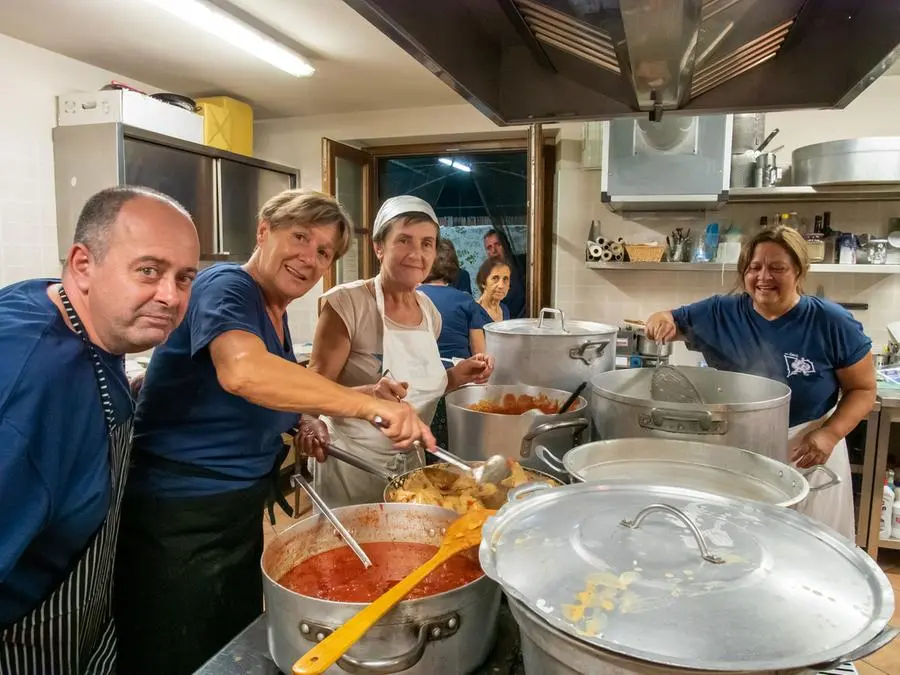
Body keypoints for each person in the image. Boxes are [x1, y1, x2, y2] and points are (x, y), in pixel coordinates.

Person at [113, 189, 434, 675]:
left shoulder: (272, 311)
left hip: (232, 507)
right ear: (264, 231)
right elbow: (243, 372)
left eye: (324, 251)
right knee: (179, 649)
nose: (310, 256)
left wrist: (303, 416)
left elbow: (275, 387)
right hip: (179, 512)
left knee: (228, 638)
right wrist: (366, 405)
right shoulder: (227, 285)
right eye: (300, 237)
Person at [0, 186, 200, 674]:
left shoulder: (67, 310)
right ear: (83, 264)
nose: (170, 296)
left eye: (184, 277)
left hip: (83, 625)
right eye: (148, 271)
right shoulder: (32, 379)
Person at [645, 225, 876, 541]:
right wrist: (661, 321)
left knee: (807, 547)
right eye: (755, 267)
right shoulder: (721, 311)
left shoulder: (830, 321)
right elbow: (670, 317)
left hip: (806, 448)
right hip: (739, 448)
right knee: (738, 541)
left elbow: (863, 389)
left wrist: (830, 434)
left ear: (798, 271)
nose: (764, 276)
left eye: (777, 268)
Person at [305, 195, 495, 507]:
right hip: (352, 466)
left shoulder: (428, 311)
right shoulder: (348, 305)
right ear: (378, 247)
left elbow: (415, 390)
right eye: (403, 240)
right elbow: (310, 393)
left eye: (427, 243)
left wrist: (456, 376)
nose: (416, 254)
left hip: (410, 468)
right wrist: (364, 394)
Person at [419, 239, 493, 447]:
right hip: (458, 384)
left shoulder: (411, 297)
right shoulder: (465, 300)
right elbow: (479, 354)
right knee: (456, 446)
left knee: (423, 446)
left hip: (420, 385)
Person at [483, 228, 526, 317]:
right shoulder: (488, 275)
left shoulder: (521, 264)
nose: (494, 251)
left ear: (506, 245)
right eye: (489, 247)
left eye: (497, 245)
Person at [476, 257, 512, 322]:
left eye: (505, 279)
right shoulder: (474, 311)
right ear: (483, 283)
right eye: (495, 278)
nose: (501, 286)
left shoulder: (504, 310)